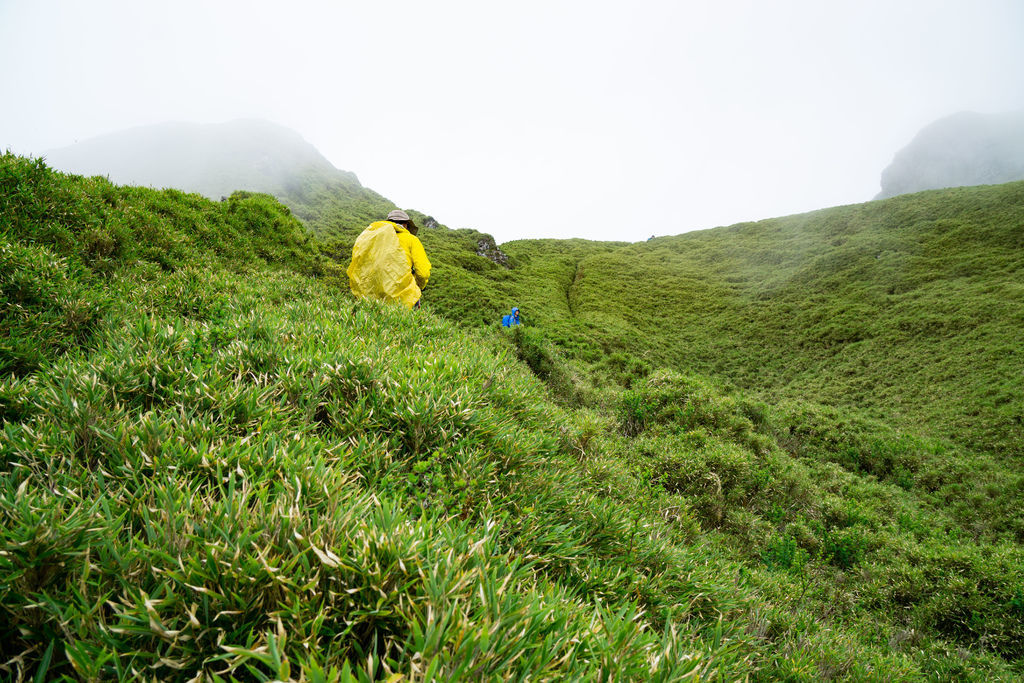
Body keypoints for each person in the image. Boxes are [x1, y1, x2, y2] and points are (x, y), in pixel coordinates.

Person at [347, 209, 431, 309]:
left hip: (370, 297)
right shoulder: (412, 240)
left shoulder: (374, 239)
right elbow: (423, 272)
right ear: (405, 225)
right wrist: (419, 286)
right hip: (403, 299)